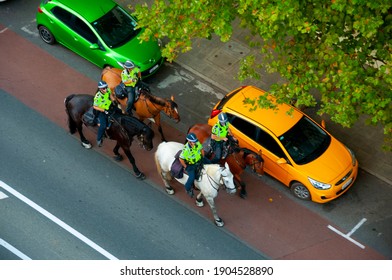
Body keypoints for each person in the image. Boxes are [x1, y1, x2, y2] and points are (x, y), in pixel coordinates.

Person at [179, 133, 211, 197]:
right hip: (191, 165)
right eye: (194, 142)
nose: (195, 142)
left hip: (199, 160)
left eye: (195, 141)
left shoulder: (197, 143)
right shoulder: (186, 150)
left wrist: (203, 157)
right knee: (192, 177)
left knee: (210, 163)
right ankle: (187, 188)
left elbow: (201, 149)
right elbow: (181, 159)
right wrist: (185, 166)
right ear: (189, 141)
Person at [93, 81, 114, 147]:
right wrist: (103, 110)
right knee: (103, 126)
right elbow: (95, 106)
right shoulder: (98, 96)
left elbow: (110, 95)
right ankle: (99, 139)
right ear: (100, 89)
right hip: (101, 111)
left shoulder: (108, 90)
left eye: (106, 87)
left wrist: (114, 100)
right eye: (104, 88)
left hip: (109, 107)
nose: (105, 89)